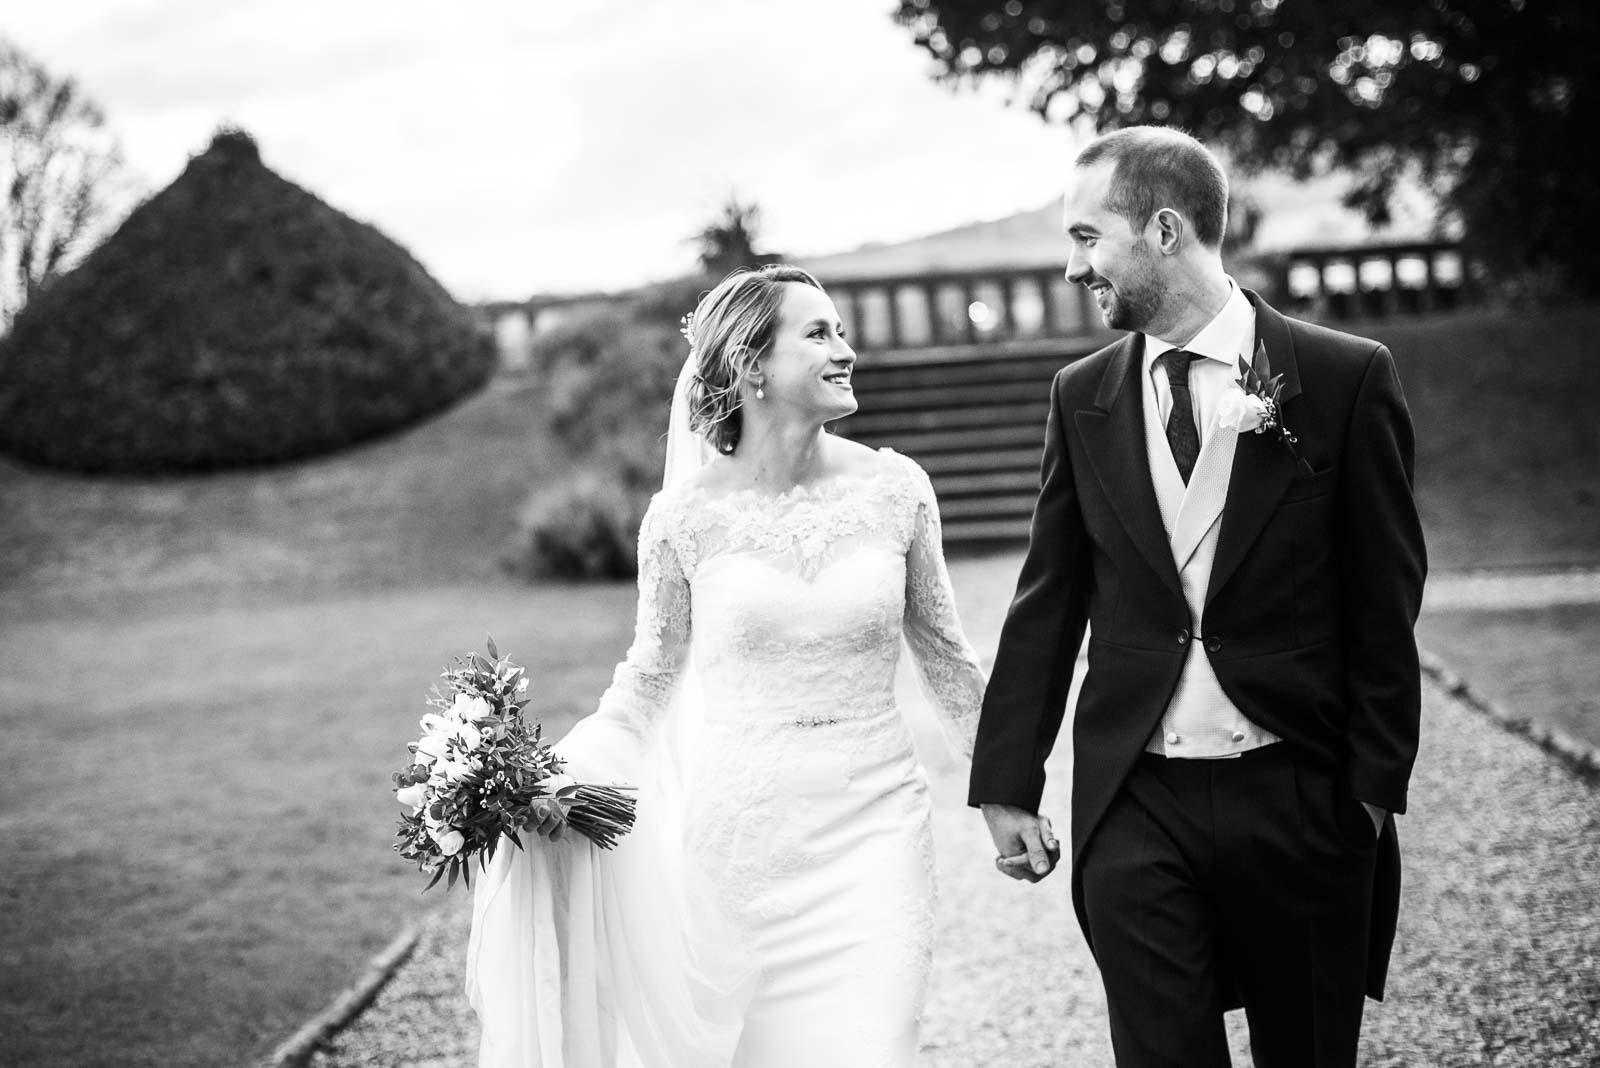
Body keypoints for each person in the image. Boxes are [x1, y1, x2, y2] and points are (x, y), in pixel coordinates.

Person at [971, 126, 1426, 1067]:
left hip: (1298, 794)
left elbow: (1387, 598)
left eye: (1088, 237)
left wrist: (1368, 797)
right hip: (1139, 800)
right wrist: (1007, 783)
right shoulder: (1081, 394)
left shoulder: (1343, 379)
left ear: (1165, 230)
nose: (1071, 267)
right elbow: (1049, 598)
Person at [467, 264, 988, 1067]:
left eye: (841, 330)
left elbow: (946, 653)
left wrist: (1006, 788)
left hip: (877, 819)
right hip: (744, 840)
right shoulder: (682, 518)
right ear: (752, 365)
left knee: (874, 1044)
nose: (845, 349)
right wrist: (557, 772)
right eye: (819, 333)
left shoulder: (896, 489)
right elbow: (649, 675)